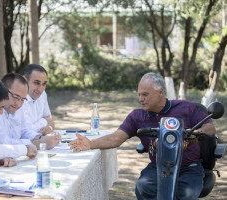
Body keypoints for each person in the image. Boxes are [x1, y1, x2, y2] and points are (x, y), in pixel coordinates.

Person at [69, 72, 215, 200]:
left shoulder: (186, 107)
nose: (140, 99)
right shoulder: (137, 116)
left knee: (186, 194)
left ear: (161, 92)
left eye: (145, 94)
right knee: (143, 187)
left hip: (189, 167)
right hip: (158, 166)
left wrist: (193, 134)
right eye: (139, 94)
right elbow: (116, 138)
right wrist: (90, 143)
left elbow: (210, 127)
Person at [0, 73, 60, 149]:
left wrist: (41, 138)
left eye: (23, 99)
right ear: (3, 91)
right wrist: (38, 143)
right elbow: (4, 143)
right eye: (15, 97)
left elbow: (24, 131)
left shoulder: (16, 108)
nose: (18, 104)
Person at [21, 64, 55, 136]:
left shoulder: (43, 94)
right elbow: (24, 132)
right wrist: (44, 121)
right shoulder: (18, 99)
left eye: (44, 84)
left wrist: (50, 128)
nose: (40, 89)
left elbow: (51, 121)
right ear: (25, 80)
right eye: (36, 83)